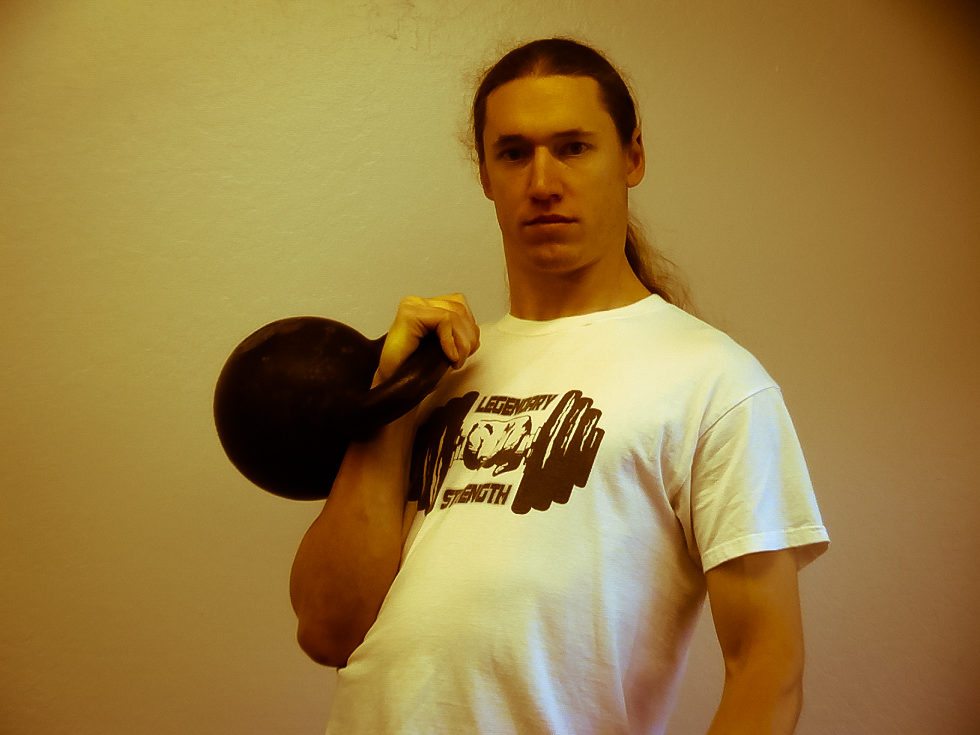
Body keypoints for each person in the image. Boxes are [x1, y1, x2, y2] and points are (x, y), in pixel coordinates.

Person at [290, 37, 830, 735]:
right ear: (486, 174)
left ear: (632, 157)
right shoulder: (438, 371)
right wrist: (390, 400)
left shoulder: (713, 381)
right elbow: (327, 629)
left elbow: (768, 669)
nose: (542, 182)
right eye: (514, 153)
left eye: (573, 148)